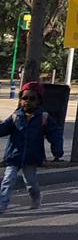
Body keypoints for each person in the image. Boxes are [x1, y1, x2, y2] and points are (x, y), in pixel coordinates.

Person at [0, 82, 63, 215]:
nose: (27, 102)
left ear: (39, 101)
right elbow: (3, 129)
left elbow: (54, 134)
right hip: (14, 155)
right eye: (24, 98)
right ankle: (2, 205)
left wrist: (57, 150)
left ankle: (36, 197)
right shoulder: (16, 116)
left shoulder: (44, 118)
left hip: (31, 157)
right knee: (7, 180)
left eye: (32, 99)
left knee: (30, 182)